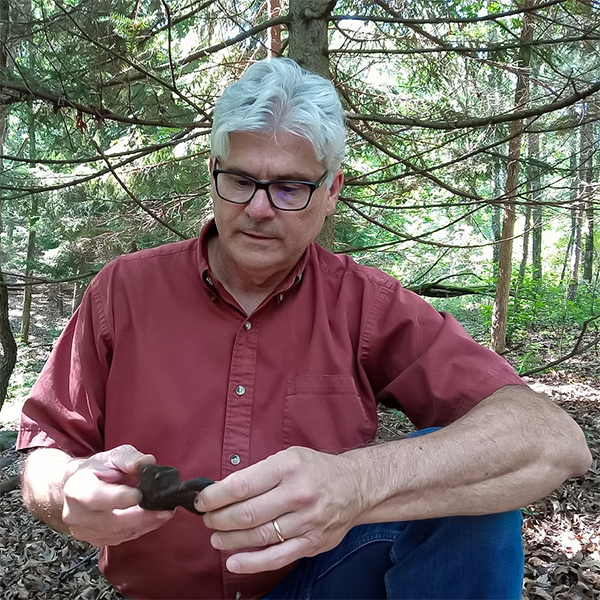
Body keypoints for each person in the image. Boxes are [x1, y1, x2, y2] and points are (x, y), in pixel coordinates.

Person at [18, 57, 590, 600]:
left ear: (332, 192)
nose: (260, 208)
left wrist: (356, 482)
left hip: (317, 582)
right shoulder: (124, 291)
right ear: (214, 173)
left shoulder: (365, 303)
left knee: (473, 494)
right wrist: (66, 491)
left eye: (291, 188)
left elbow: (552, 442)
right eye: (240, 180)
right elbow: (45, 450)